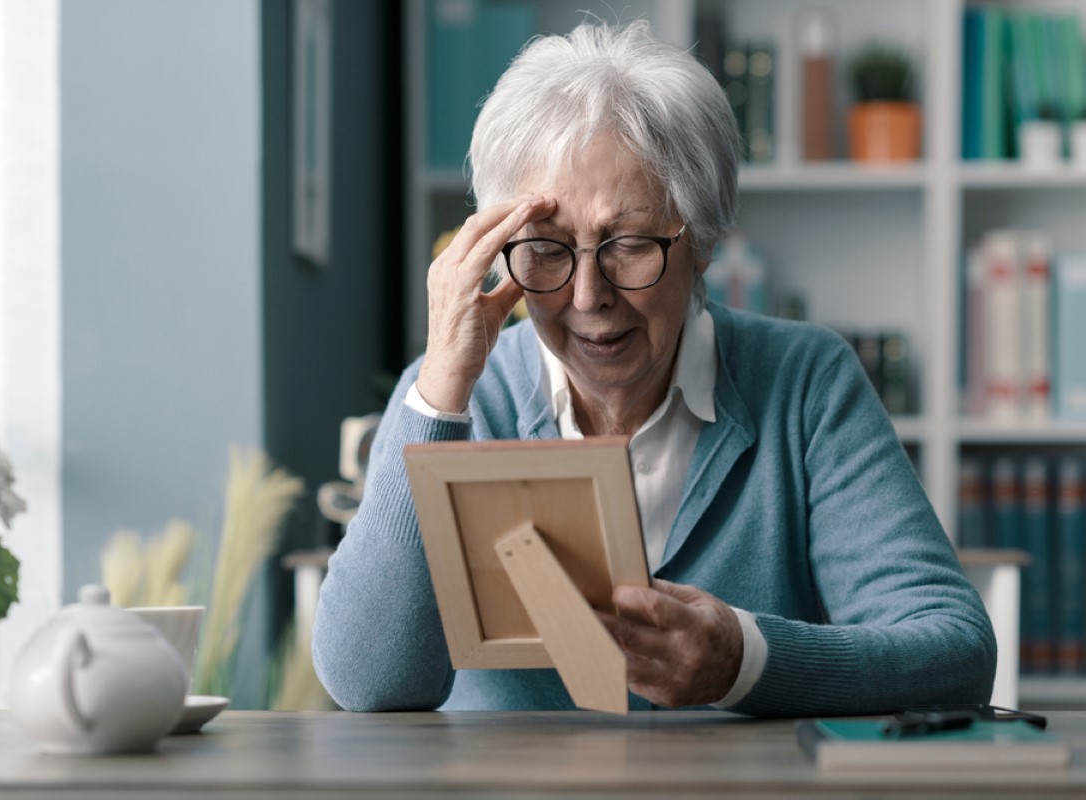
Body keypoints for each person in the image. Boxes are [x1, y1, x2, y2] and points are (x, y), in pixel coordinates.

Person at [312, 20, 996, 715]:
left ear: (701, 241)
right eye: (545, 249)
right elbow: (370, 684)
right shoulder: (455, 401)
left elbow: (953, 651)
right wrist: (440, 390)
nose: (587, 297)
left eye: (628, 244)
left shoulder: (803, 382)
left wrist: (743, 659)